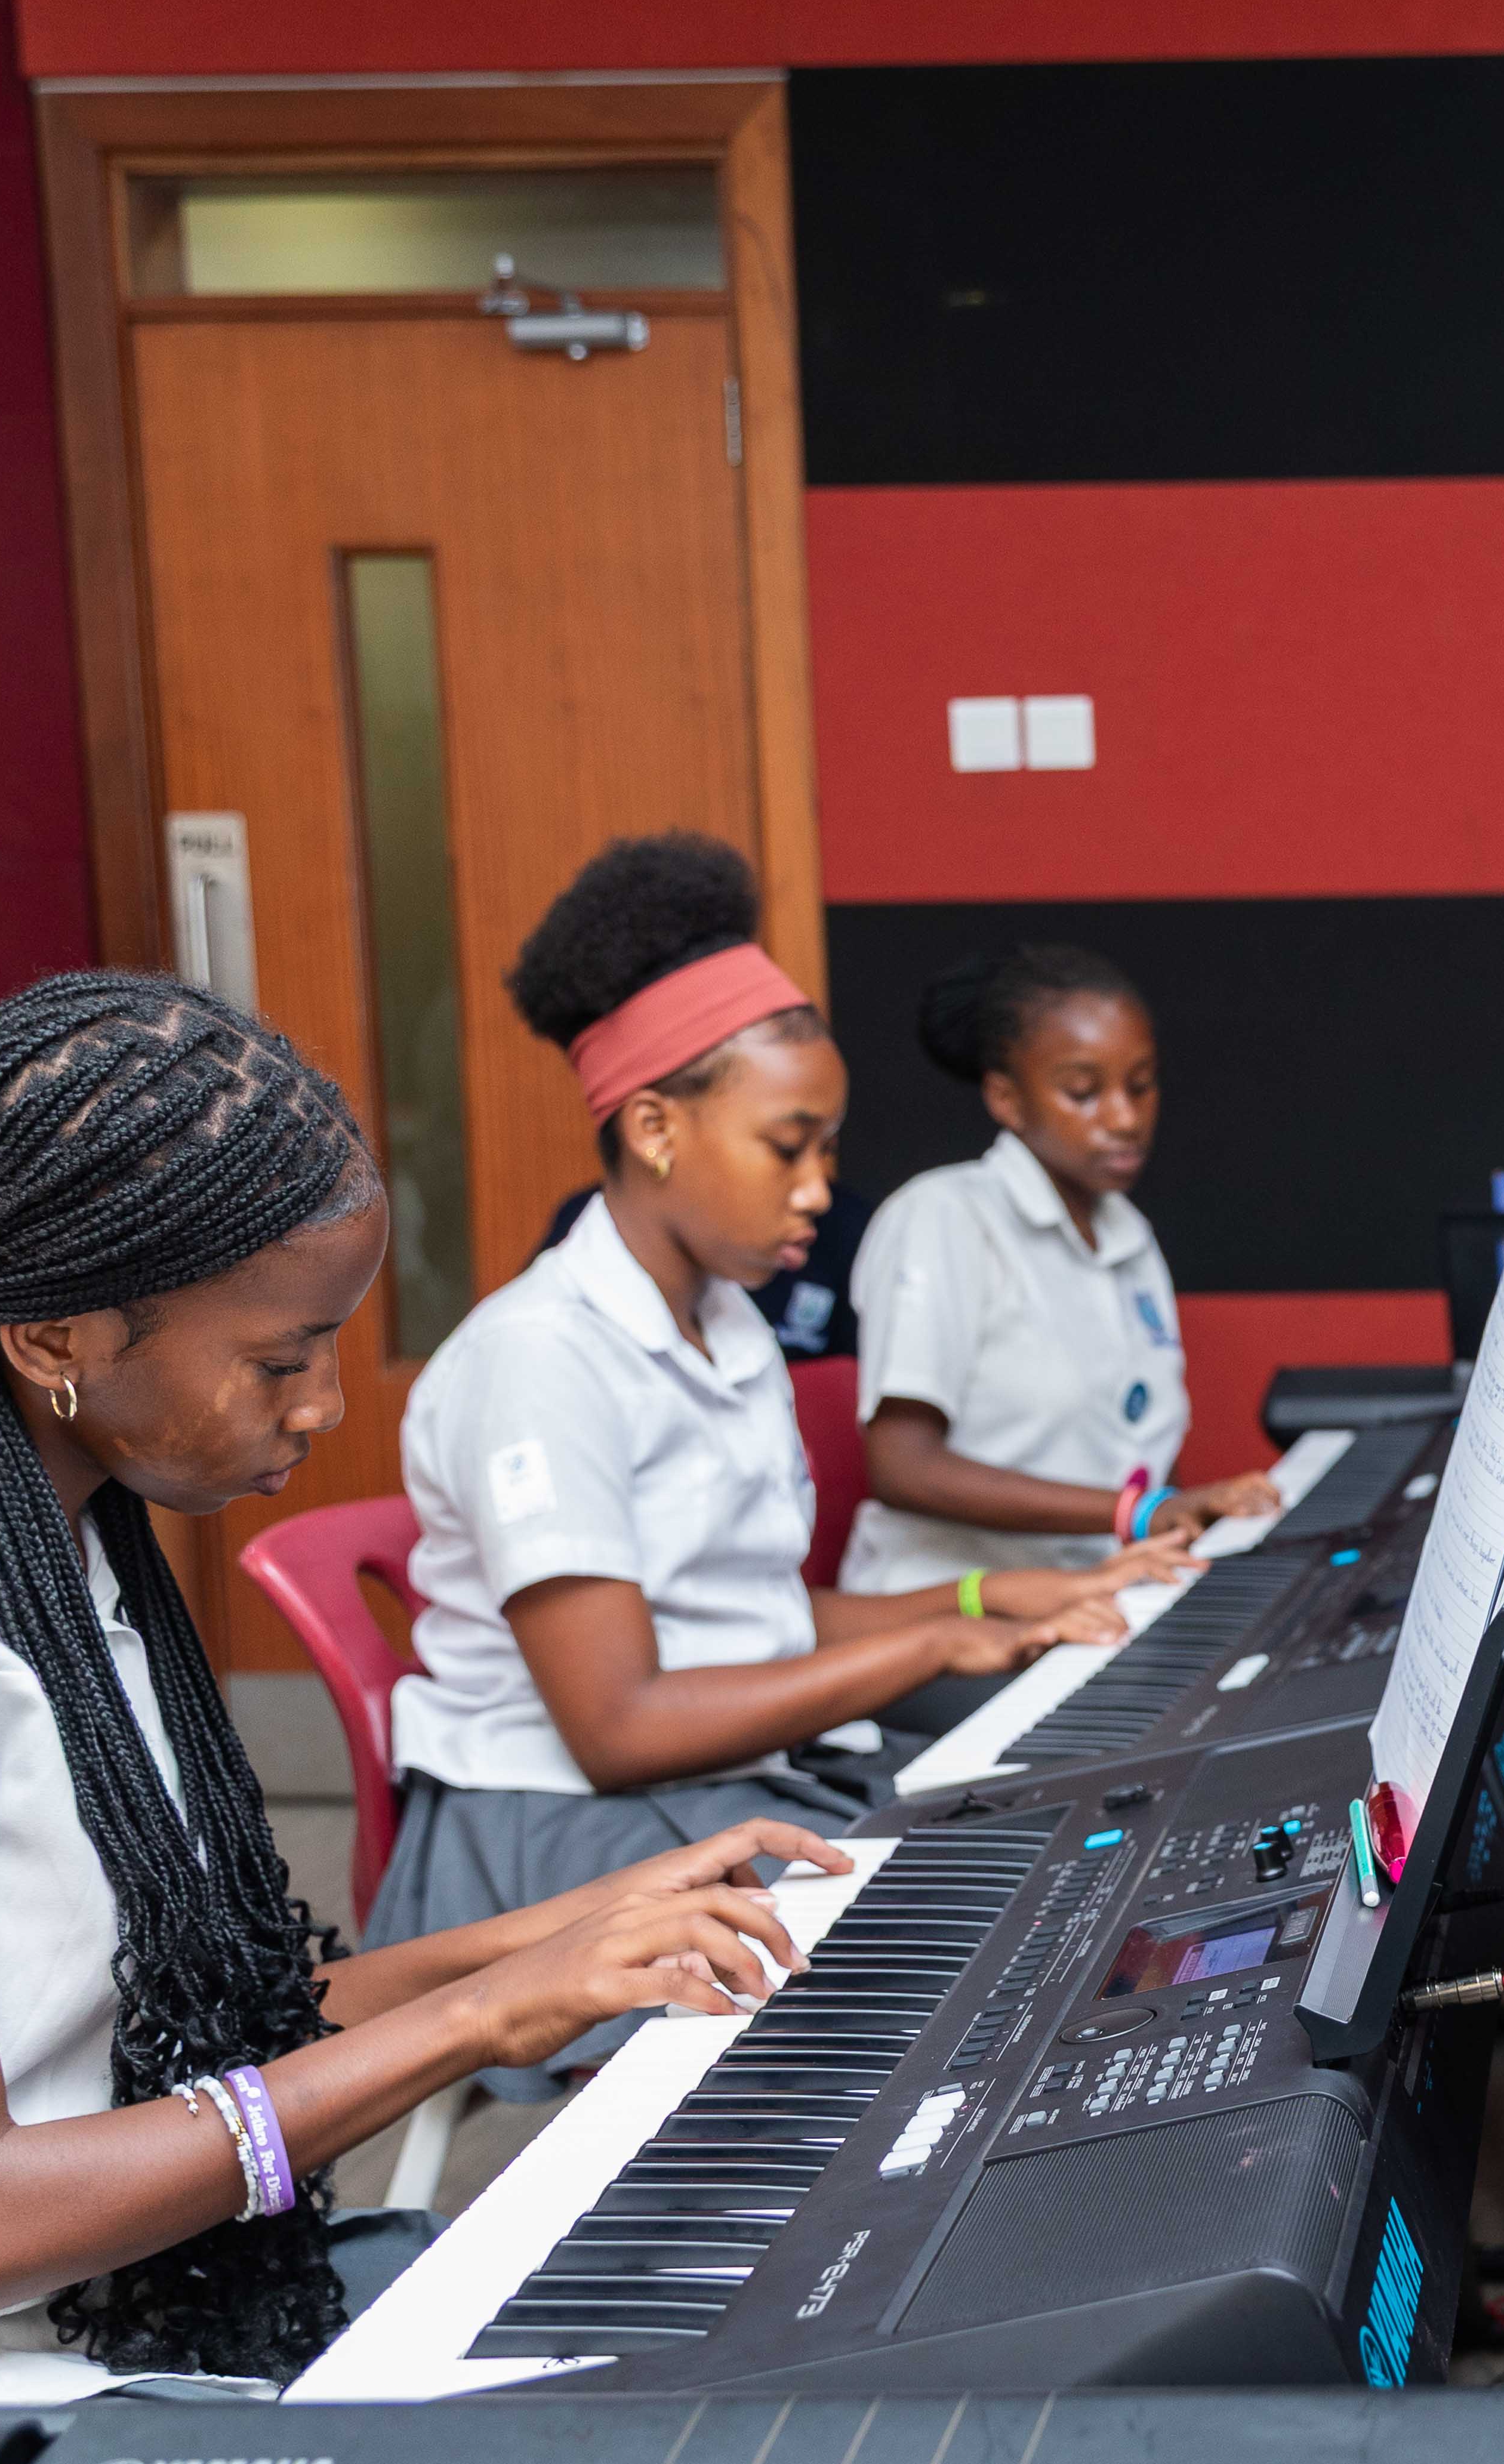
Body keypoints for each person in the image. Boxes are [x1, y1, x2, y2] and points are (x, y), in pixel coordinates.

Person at [0, 977, 833, 2464]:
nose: (321, 1406)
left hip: (73, 2347)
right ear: (56, 1336)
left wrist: (567, 1934)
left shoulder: (62, 1546)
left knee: (705, 2347)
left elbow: (165, 2048)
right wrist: (480, 2017)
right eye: (279, 1361)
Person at [376, 839, 1116, 1988]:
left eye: (830, 1148)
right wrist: (926, 1642)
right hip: (554, 1834)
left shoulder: (728, 1322)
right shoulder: (539, 1357)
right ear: (656, 1127)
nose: (821, 1187)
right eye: (788, 1147)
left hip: (723, 1781)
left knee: (1059, 1840)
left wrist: (984, 1596)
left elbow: (745, 1616)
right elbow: (618, 1725)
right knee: (955, 1959)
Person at [840, 940, 1283, 1601]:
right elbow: (903, 1468)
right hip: (953, 1611)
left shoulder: (1129, 1238)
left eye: (1141, 1084)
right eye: (1084, 1091)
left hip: (1103, 1596)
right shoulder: (943, 1216)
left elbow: (1135, 1443)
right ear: (1005, 1098)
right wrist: (1137, 1510)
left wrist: (1190, 1513)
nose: (1125, 1118)